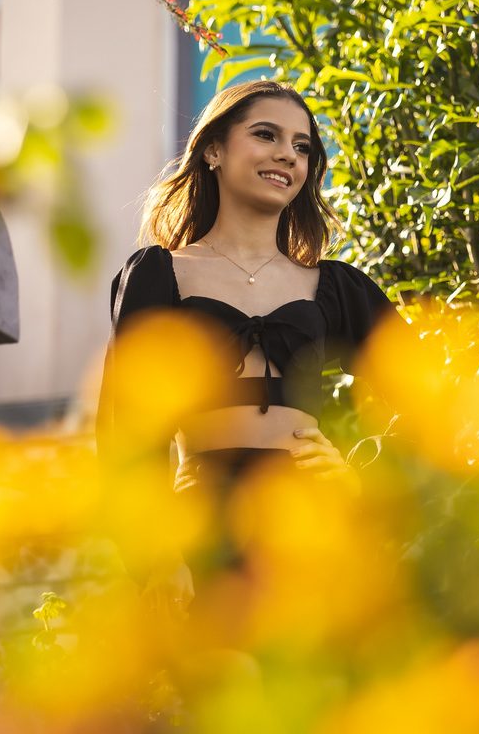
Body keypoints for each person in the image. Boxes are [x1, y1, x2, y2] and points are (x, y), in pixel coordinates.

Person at [96, 80, 394, 627]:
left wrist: (356, 471)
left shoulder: (337, 286)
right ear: (213, 150)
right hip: (201, 527)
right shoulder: (159, 274)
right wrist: (158, 557)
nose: (288, 154)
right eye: (266, 135)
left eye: (302, 147)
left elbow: (426, 397)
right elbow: (125, 428)